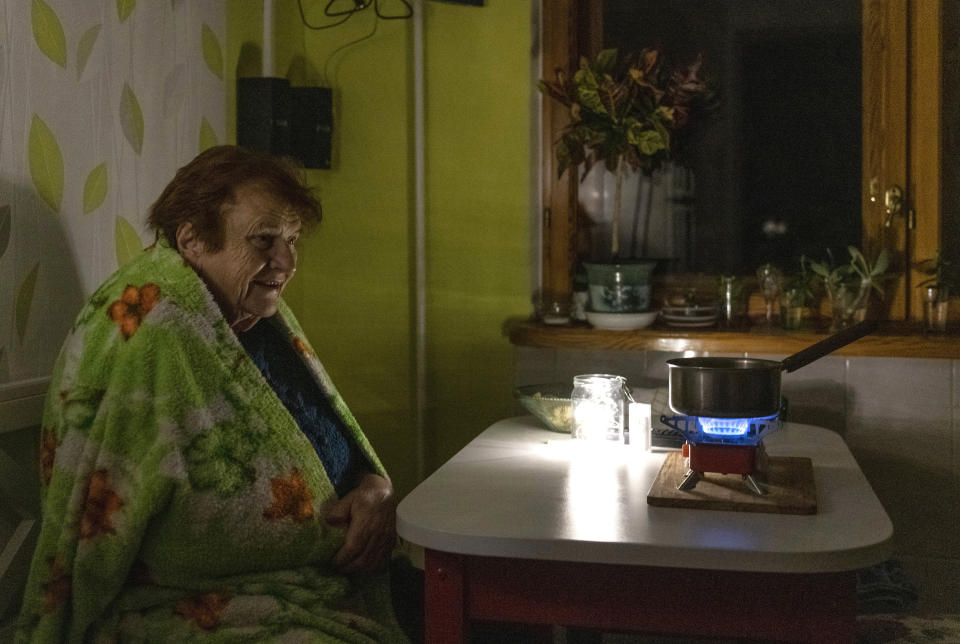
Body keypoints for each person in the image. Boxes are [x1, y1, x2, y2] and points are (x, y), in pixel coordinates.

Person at [16, 146, 410, 643]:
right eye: (265, 240)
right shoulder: (155, 336)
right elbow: (93, 530)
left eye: (292, 239)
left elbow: (333, 440)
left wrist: (375, 488)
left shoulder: (249, 311)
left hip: (321, 583)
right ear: (194, 239)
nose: (286, 262)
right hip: (206, 603)